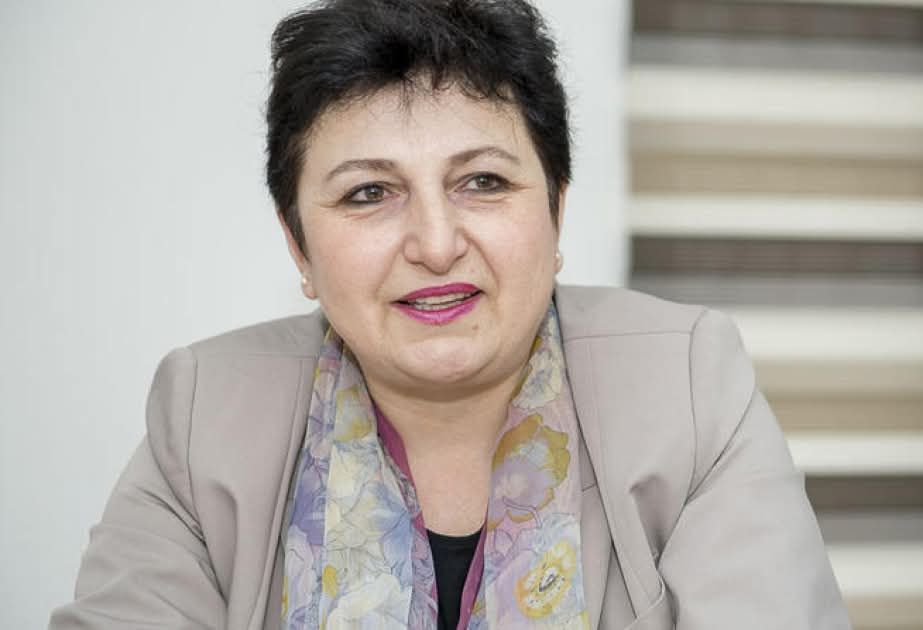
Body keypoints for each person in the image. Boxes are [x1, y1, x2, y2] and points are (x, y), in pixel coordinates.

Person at [49, 0, 851, 628]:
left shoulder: (685, 382)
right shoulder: (205, 413)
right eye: (369, 192)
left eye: (483, 182)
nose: (435, 245)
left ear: (555, 213)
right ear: (299, 248)